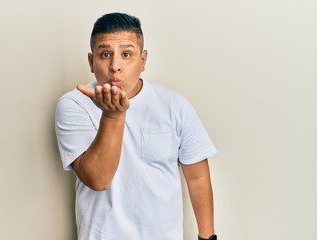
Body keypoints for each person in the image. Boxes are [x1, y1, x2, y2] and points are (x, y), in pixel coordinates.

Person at [55, 12, 217, 240]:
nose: (115, 66)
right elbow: (97, 179)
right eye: (105, 54)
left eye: (126, 54)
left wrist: (207, 238)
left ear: (143, 60)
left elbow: (198, 178)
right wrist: (113, 116)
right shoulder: (73, 105)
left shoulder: (175, 105)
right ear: (91, 62)